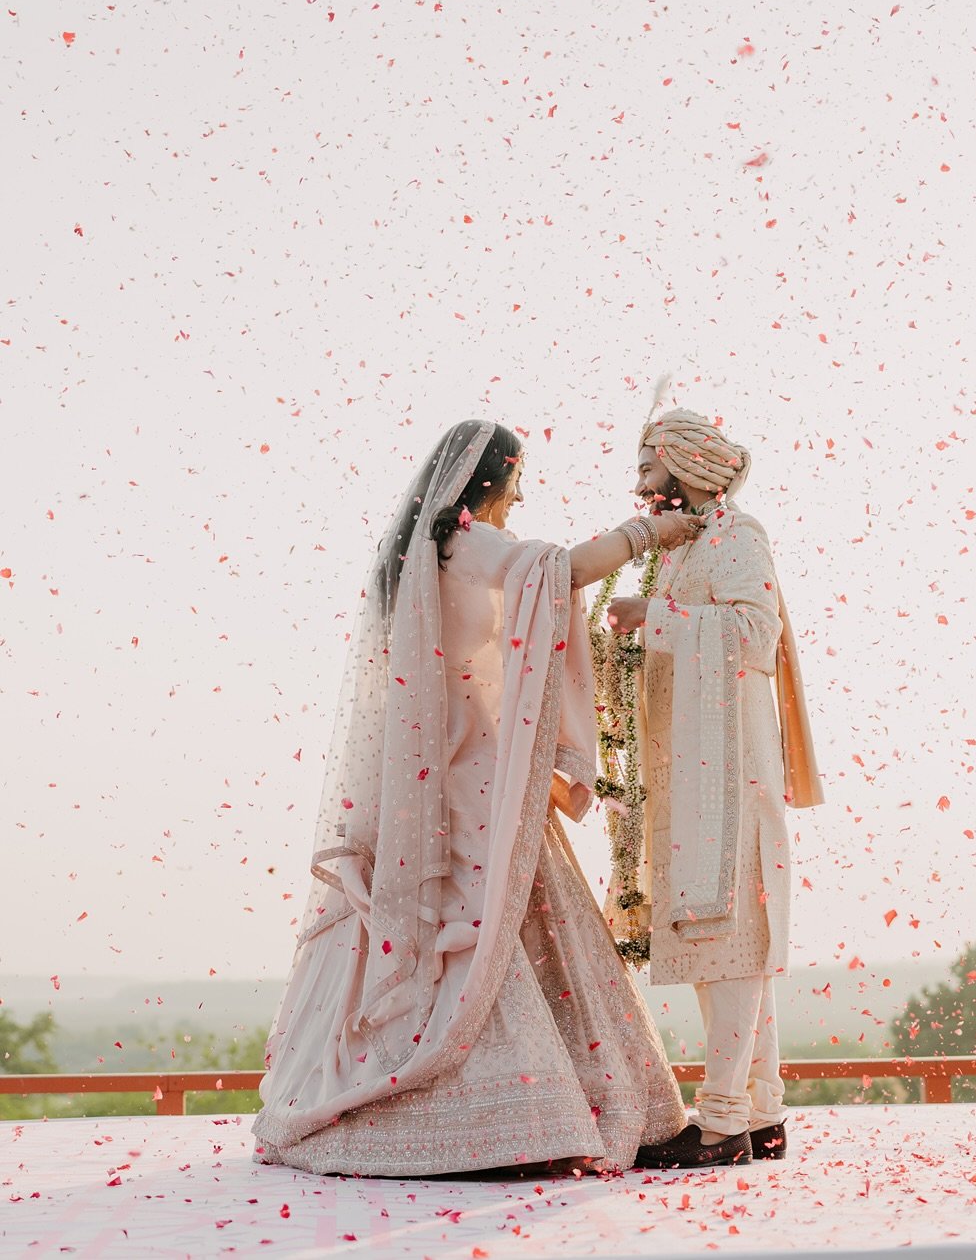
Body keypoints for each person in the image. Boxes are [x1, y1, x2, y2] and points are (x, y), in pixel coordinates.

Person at [252, 419, 701, 1177]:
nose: (522, 492)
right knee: (498, 920)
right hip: (475, 772)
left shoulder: (420, 553)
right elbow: (562, 570)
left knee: (480, 918)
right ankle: (515, 1117)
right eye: (517, 477)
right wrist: (652, 532)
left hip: (441, 771)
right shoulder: (465, 542)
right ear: (487, 480)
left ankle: (545, 1107)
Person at [606, 407, 824, 1169]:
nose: (637, 484)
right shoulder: (685, 547)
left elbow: (756, 638)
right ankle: (761, 1112)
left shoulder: (739, 536)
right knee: (722, 938)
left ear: (685, 467)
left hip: (730, 768)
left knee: (731, 937)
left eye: (646, 468)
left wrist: (655, 617)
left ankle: (724, 1119)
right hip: (691, 765)